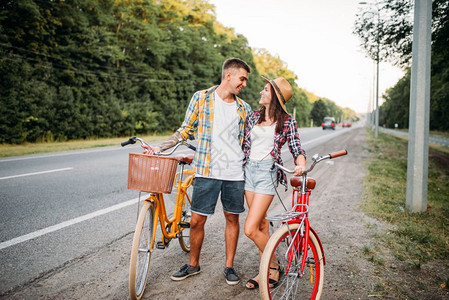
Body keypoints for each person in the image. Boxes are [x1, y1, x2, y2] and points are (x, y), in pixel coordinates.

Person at [145, 58, 252, 285]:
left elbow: (248, 142)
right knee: (196, 221)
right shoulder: (201, 98)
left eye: (246, 80)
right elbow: (184, 132)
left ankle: (229, 266)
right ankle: (193, 264)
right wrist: (159, 147)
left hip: (234, 173)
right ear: (229, 76)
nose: (244, 84)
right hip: (206, 170)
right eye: (242, 79)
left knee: (232, 218)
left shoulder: (244, 108)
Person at [242, 77, 306, 289]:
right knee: (260, 225)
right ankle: (267, 273)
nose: (261, 91)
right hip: (248, 172)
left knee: (250, 229)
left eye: (266, 90)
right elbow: (242, 144)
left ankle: (274, 265)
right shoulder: (252, 117)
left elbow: (297, 148)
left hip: (267, 173)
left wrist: (301, 164)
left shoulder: (287, 121)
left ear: (275, 98)